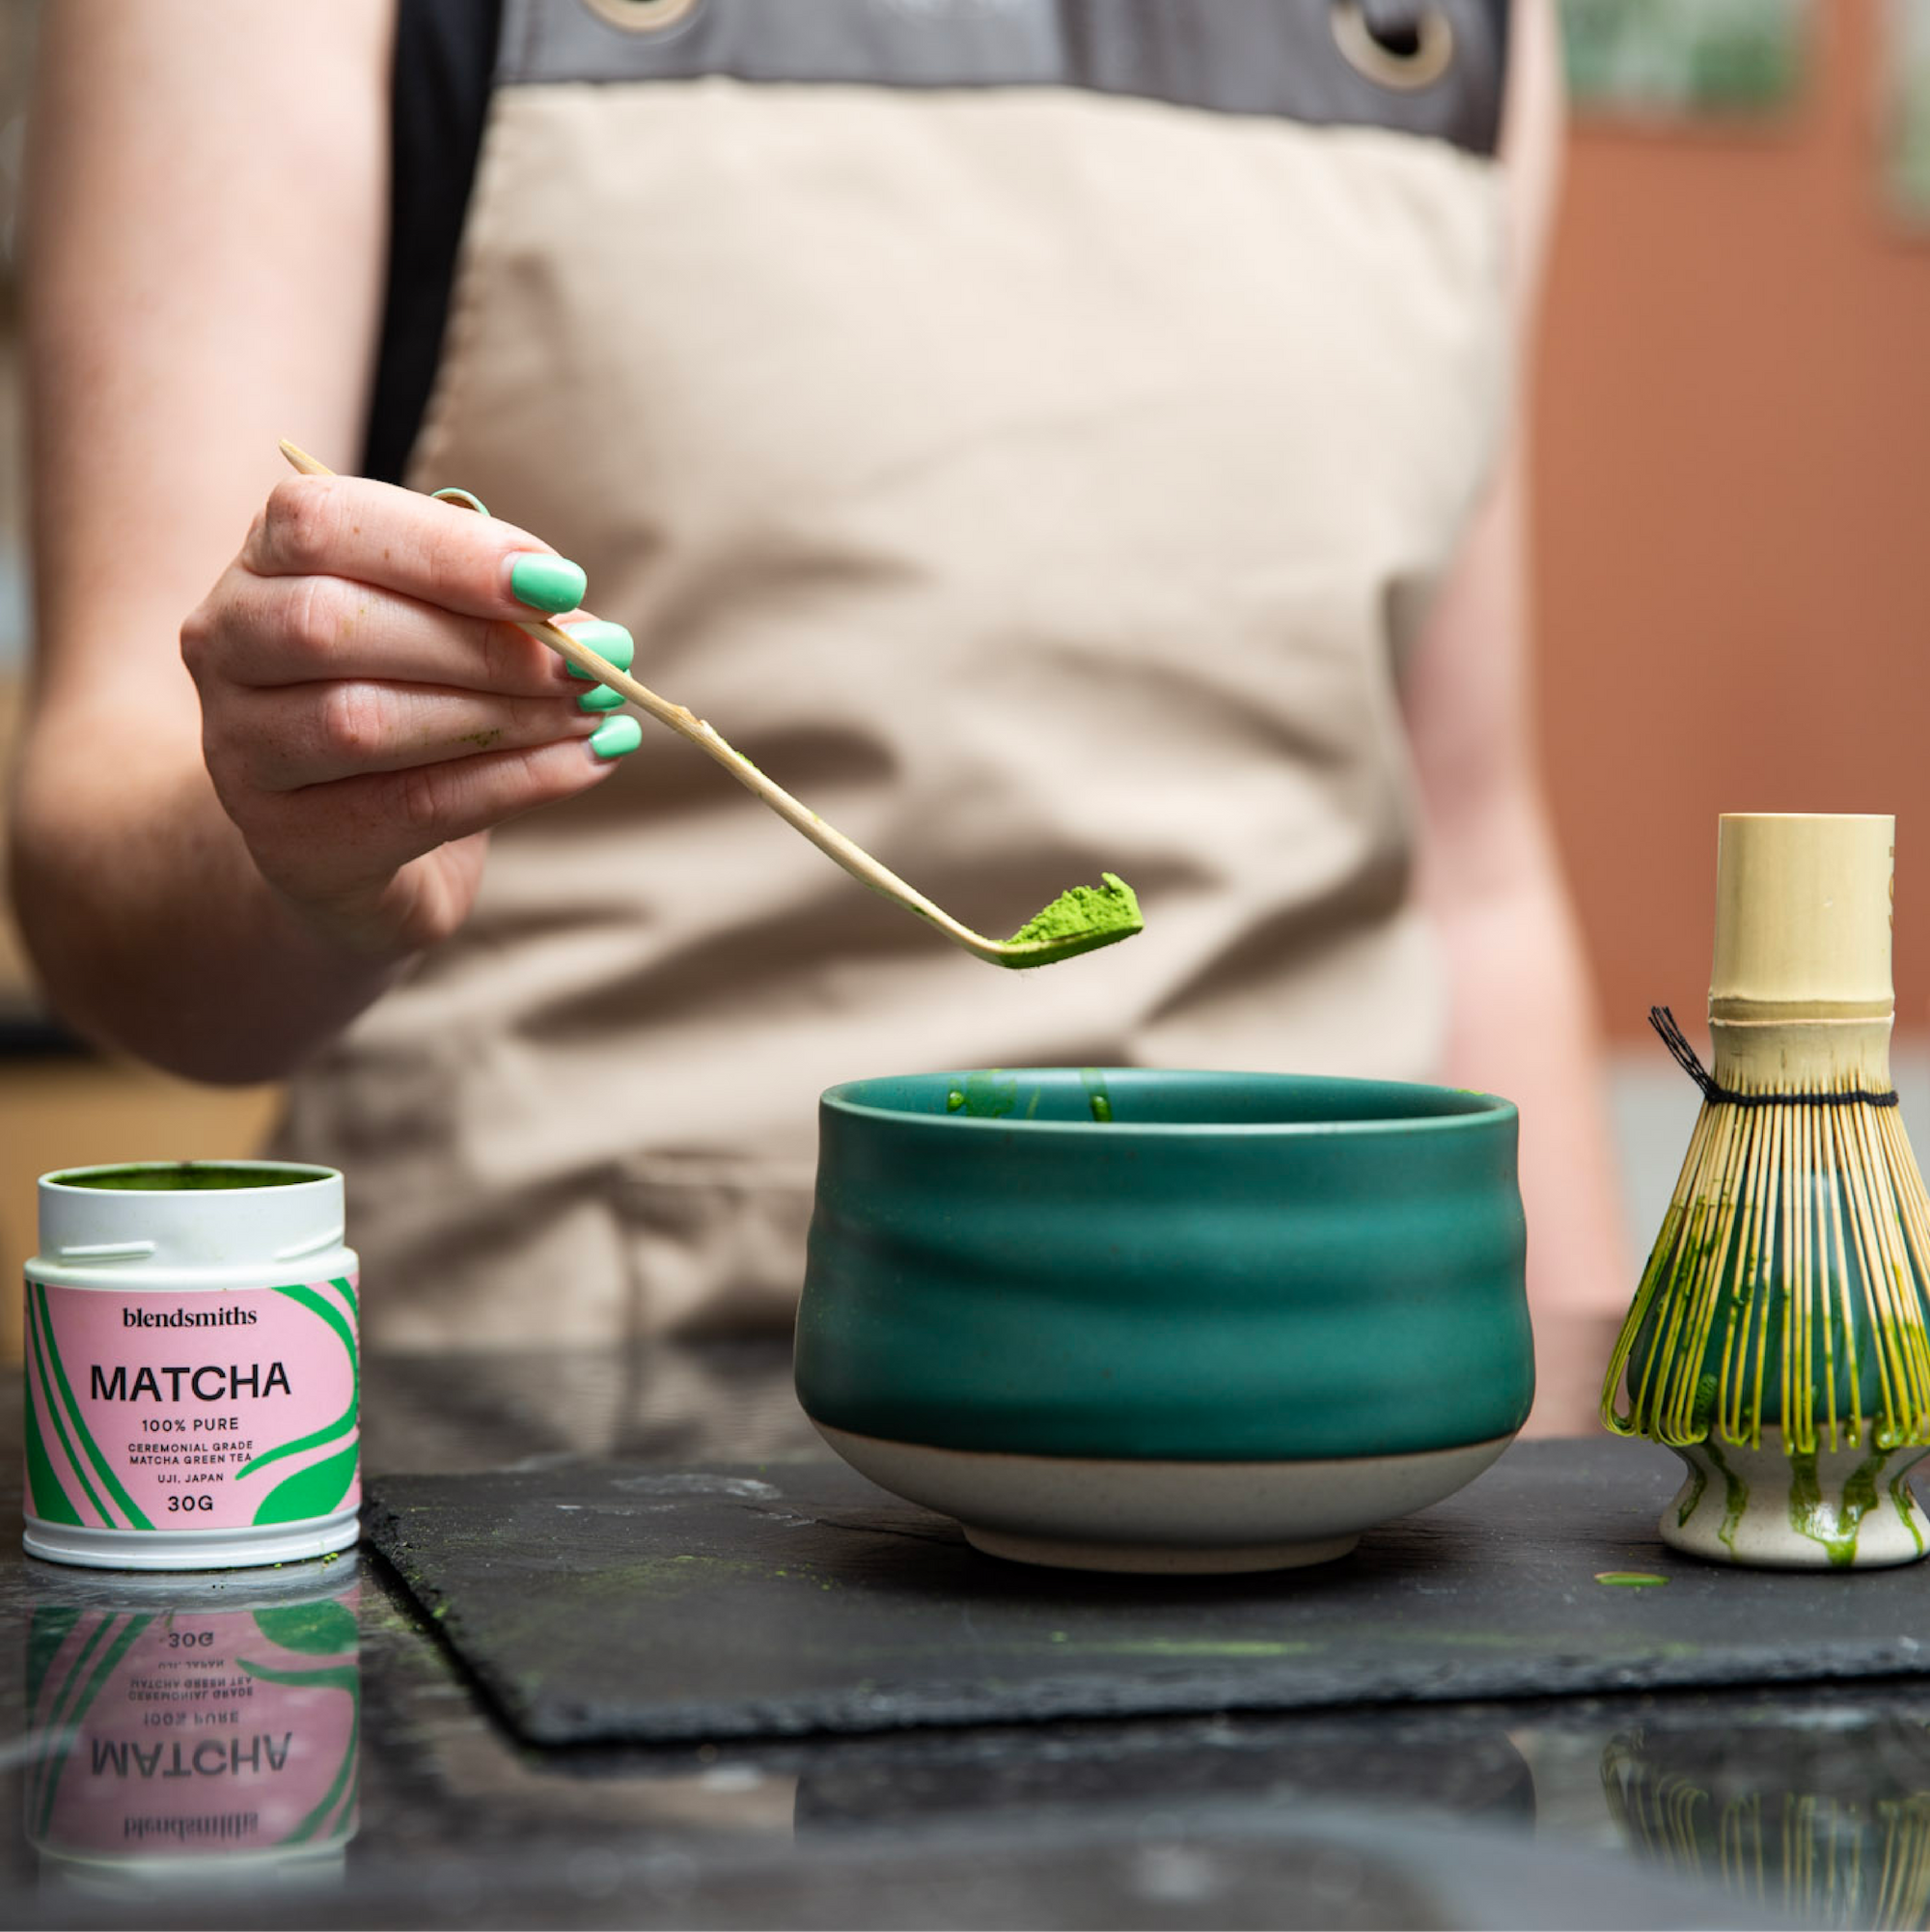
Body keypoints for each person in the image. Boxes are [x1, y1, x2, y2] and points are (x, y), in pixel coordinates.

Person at [12, 0, 1628, 1413]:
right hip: (574, 1473)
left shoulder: (1458, 28)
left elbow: (1473, 871)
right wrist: (311, 849)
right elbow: (109, 841)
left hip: (1325, 1440)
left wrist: (1576, 1527)